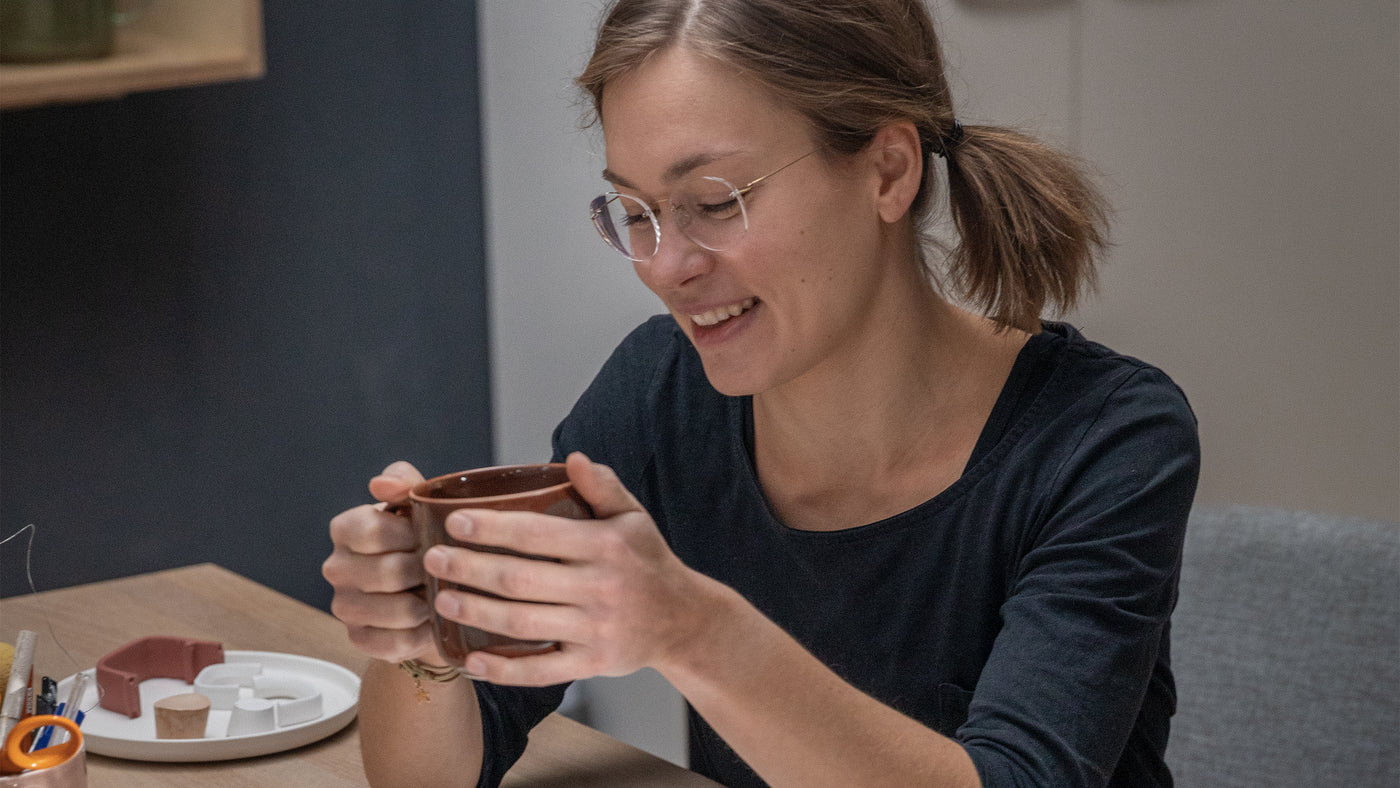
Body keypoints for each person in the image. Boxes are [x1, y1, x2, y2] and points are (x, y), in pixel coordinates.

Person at [321, 1, 1200, 786]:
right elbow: (434, 776)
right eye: (637, 212)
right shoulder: (660, 397)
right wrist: (427, 637)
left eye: (713, 201)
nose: (665, 267)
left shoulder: (1105, 439)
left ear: (889, 171)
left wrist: (694, 632)